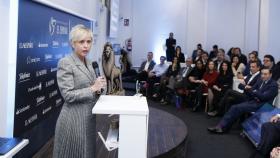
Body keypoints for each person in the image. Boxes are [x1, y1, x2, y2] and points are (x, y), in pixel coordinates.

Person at [53, 25, 106, 158]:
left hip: (89, 118)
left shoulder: (89, 62)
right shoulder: (65, 63)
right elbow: (68, 95)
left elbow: (94, 89)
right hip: (73, 121)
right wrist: (93, 88)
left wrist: (100, 88)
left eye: (88, 42)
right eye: (81, 42)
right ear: (72, 43)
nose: (86, 46)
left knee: (87, 153)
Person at [207, 68, 278, 134]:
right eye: (262, 74)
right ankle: (222, 127)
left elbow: (263, 97)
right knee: (234, 106)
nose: (263, 76)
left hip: (263, 105)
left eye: (265, 74)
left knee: (236, 107)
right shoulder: (260, 80)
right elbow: (252, 90)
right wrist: (255, 92)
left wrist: (254, 91)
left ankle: (222, 127)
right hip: (254, 101)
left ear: (270, 75)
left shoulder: (273, 85)